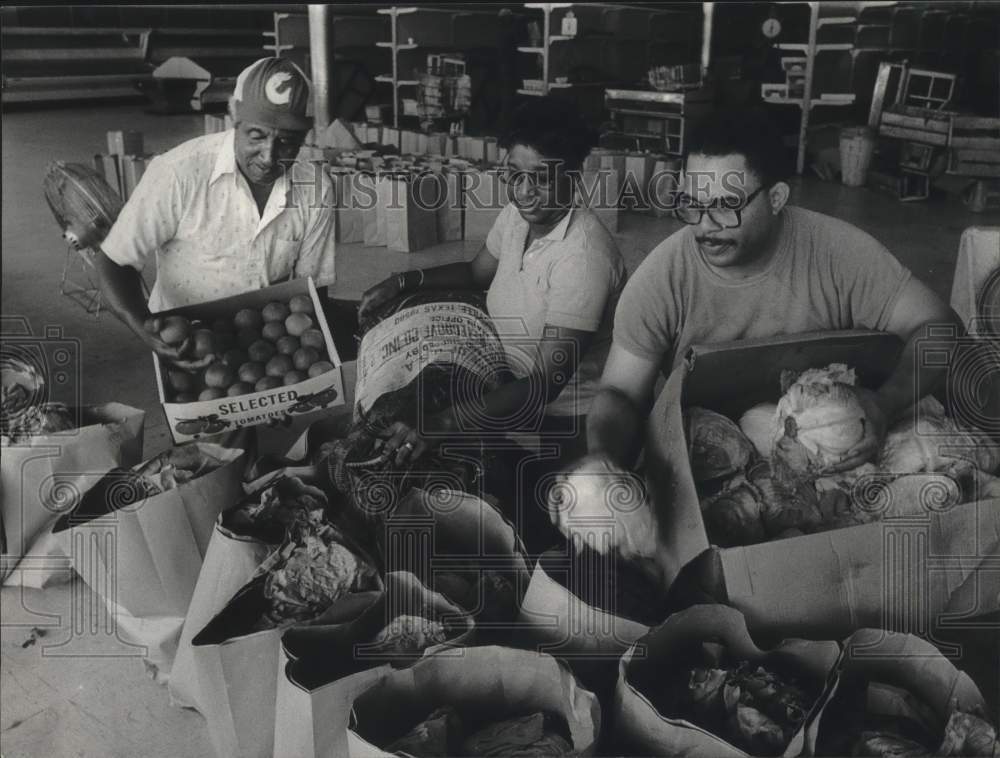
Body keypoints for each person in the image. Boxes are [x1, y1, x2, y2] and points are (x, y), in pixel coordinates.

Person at [587, 108, 961, 469]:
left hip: (839, 456)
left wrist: (885, 403)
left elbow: (938, 324)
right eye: (692, 205)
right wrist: (603, 461)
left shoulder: (837, 252)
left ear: (777, 198)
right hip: (711, 463)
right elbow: (619, 393)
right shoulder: (662, 278)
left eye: (727, 205)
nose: (704, 226)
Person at [358, 97, 627, 467]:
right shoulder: (518, 218)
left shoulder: (583, 258)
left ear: (573, 176)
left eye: (543, 177)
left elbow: (546, 384)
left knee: (549, 509)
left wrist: (443, 423)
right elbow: (475, 273)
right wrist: (402, 282)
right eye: (515, 174)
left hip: (567, 416)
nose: (524, 190)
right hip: (506, 383)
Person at [93, 57, 336, 370]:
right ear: (232, 118)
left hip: (268, 348)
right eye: (257, 135)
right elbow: (114, 260)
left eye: (287, 143)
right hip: (187, 343)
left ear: (305, 139)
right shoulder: (178, 173)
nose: (269, 156)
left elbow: (312, 291)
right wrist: (145, 329)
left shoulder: (315, 188)